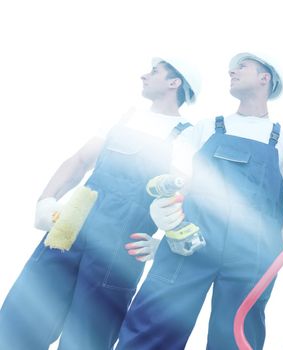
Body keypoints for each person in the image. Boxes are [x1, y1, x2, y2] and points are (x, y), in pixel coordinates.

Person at [0, 56, 200, 350]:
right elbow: (79, 161)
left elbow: (186, 196)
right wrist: (45, 200)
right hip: (70, 228)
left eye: (154, 72)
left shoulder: (188, 134)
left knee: (88, 339)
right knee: (19, 325)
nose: (144, 75)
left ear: (174, 83)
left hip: (120, 247)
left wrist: (165, 244)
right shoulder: (125, 117)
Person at [116, 52, 283, 350]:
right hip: (190, 243)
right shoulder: (205, 128)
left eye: (241, 67)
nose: (232, 71)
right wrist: (165, 219)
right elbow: (175, 179)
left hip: (252, 255)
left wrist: (273, 256)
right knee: (153, 326)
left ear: (264, 77)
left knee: (237, 338)